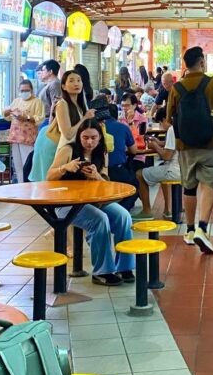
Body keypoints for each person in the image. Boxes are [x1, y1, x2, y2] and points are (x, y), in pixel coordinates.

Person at [166, 46, 213, 254]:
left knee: (189, 187)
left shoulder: (176, 88)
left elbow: (169, 116)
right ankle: (202, 228)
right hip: (211, 143)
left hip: (185, 146)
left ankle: (189, 230)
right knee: (208, 184)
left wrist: (180, 134)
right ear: (201, 62)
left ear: (185, 65)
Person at [47, 120, 134, 286]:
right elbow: (49, 177)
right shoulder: (68, 150)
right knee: (100, 220)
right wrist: (65, 168)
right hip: (66, 204)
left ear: (100, 137)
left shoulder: (102, 152)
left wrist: (96, 176)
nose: (89, 142)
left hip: (94, 201)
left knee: (123, 216)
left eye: (94, 138)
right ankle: (103, 271)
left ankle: (124, 266)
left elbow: (106, 182)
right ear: (79, 136)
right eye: (85, 137)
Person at [134, 123, 181, 219]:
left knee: (139, 174)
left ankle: (146, 211)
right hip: (186, 169)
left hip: (174, 170)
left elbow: (166, 156)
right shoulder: (184, 125)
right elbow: (172, 143)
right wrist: (159, 143)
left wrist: (155, 146)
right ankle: (170, 209)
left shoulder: (173, 129)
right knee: (161, 167)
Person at [3, 78, 45, 183]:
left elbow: (40, 118)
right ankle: (20, 186)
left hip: (28, 138)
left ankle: (28, 187)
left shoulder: (37, 102)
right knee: (17, 165)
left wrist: (26, 117)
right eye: (22, 90)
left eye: (26, 90)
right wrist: (7, 112)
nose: (24, 93)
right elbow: (7, 117)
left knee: (27, 164)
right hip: (15, 136)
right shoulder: (16, 101)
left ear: (31, 90)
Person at [102, 104, 139, 211]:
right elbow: (134, 150)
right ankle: (122, 210)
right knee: (135, 185)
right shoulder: (123, 127)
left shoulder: (96, 127)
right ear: (117, 115)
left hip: (99, 170)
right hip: (117, 170)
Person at [36, 59, 63, 123]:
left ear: (50, 72)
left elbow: (55, 104)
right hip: (43, 118)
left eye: (43, 70)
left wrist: (51, 121)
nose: (41, 72)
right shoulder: (48, 84)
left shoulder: (55, 84)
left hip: (48, 120)